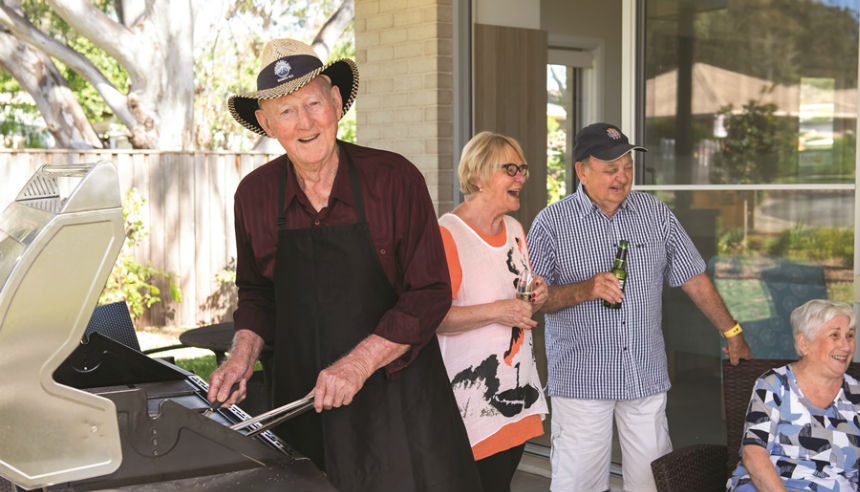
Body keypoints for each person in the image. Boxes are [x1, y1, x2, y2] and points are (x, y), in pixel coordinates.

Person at [207, 38, 481, 491]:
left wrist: (356, 365)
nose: (305, 122)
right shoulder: (253, 195)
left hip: (396, 403)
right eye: (287, 111)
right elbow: (257, 293)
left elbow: (430, 292)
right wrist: (241, 356)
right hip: (302, 404)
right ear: (266, 123)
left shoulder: (393, 179)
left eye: (313, 102)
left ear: (335, 101)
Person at [527, 122, 755, 492]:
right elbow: (533, 300)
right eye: (611, 168)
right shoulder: (551, 224)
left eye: (628, 166)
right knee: (578, 485)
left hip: (643, 374)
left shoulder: (655, 214)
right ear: (581, 170)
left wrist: (732, 332)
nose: (622, 177)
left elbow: (694, 277)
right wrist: (586, 289)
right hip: (583, 377)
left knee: (654, 483)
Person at [436, 131, 550, 492]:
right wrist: (498, 311)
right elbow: (434, 319)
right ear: (476, 176)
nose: (521, 178)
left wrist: (538, 294)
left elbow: (521, 301)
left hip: (516, 391)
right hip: (472, 403)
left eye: (523, 170)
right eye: (511, 169)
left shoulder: (516, 230)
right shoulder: (447, 234)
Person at [727, 300, 860, 492]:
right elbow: (753, 454)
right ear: (805, 343)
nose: (846, 346)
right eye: (835, 335)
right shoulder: (774, 385)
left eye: (850, 336)